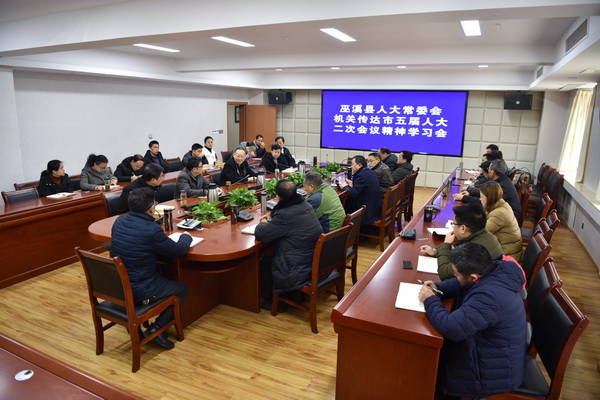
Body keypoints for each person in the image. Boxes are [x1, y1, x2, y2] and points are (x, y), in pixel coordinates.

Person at [418, 243, 526, 399]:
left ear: (474, 277)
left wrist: (430, 300)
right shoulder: (493, 270)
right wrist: (438, 287)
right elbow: (463, 284)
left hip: (494, 370)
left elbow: (452, 328)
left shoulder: (489, 297)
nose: (455, 276)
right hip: (491, 349)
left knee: (433, 372)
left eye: (456, 274)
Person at [111, 187, 192, 349]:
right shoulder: (152, 230)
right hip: (141, 289)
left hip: (118, 285)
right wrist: (185, 236)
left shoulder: (119, 221)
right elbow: (179, 251)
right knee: (182, 288)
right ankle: (157, 329)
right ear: (151, 208)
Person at [255, 179, 323, 307]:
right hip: (312, 260)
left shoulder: (284, 214)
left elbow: (261, 234)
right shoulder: (305, 205)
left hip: (297, 268)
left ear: (278, 197)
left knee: (263, 261)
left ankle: (276, 302)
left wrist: (263, 223)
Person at [419, 202, 503, 280]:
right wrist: (436, 251)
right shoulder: (485, 235)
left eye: (454, 224)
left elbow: (444, 273)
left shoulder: (475, 251)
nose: (453, 227)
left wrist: (446, 244)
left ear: (463, 228)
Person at [454, 159, 521, 223]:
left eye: (489, 168)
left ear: (492, 172)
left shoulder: (500, 186)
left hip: (510, 218)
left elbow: (487, 202)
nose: (487, 170)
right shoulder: (502, 180)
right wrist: (470, 194)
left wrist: (464, 198)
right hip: (506, 215)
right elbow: (484, 194)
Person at [480, 182, 522, 262]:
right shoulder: (499, 204)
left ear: (489, 198)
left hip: (507, 257)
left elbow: (482, 232)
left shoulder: (499, 213)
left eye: (482, 197)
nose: (480, 199)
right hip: (506, 249)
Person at [340, 155, 382, 226]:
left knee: (344, 203)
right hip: (374, 208)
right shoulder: (369, 172)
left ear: (359, 165)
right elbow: (362, 188)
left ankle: (345, 228)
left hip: (367, 212)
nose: (351, 166)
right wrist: (352, 185)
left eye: (352, 164)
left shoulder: (361, 175)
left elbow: (353, 193)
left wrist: (344, 187)